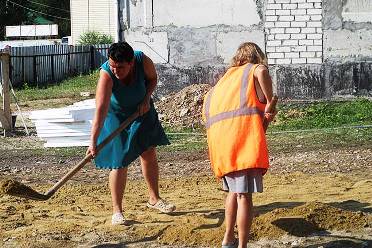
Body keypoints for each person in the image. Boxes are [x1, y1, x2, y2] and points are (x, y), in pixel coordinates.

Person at [87, 41, 175, 225]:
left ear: (131, 63)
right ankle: (117, 211)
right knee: (119, 162)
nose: (115, 70)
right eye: (112, 65)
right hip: (116, 116)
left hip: (141, 110)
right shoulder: (106, 75)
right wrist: (93, 141)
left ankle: (154, 199)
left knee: (148, 152)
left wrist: (146, 99)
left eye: (120, 67)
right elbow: (100, 112)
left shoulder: (142, 60)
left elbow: (152, 79)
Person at [202, 42, 276, 248]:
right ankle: (242, 245)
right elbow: (261, 71)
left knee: (233, 193)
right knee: (244, 196)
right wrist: (270, 106)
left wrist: (265, 117)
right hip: (241, 142)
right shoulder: (255, 70)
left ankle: (228, 238)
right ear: (256, 56)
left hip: (221, 147)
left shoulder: (224, 81)